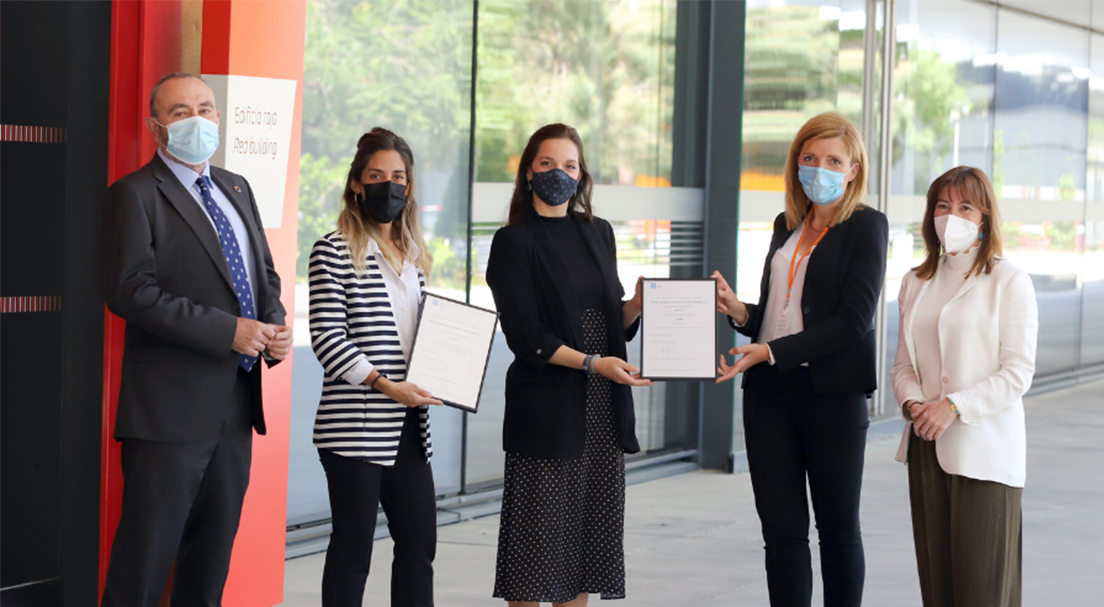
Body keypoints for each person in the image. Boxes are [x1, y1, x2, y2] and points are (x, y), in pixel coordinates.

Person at [100, 72, 290, 606]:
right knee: (144, 561)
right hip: (168, 413)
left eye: (205, 108)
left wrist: (273, 326)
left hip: (235, 406)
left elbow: (262, 275)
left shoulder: (236, 187)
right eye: (180, 112)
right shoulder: (134, 194)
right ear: (155, 126)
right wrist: (230, 331)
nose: (197, 120)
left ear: (219, 116)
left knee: (210, 560)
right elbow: (130, 291)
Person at [713, 112, 888, 607]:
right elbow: (780, 312)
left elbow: (853, 320)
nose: (819, 168)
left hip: (831, 394)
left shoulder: (866, 226)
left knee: (837, 529)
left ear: (853, 170)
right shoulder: (786, 224)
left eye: (833, 160)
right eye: (809, 158)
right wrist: (741, 311)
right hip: (769, 394)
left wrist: (771, 351)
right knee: (782, 532)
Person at [486, 123, 652, 606]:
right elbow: (526, 335)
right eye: (547, 163)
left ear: (581, 175)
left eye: (569, 165)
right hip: (548, 407)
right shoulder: (513, 241)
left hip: (602, 407)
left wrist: (638, 305)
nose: (558, 173)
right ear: (528, 172)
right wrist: (593, 363)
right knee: (535, 551)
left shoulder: (597, 231)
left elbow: (611, 318)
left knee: (584, 548)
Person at [891, 166, 1037, 607]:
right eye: (942, 206)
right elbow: (903, 365)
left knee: (982, 592)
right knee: (937, 591)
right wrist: (914, 404)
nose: (951, 216)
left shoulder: (1009, 281)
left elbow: (1017, 372)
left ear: (985, 218)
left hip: (984, 453)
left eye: (965, 207)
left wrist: (952, 406)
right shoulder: (915, 282)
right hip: (926, 446)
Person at [308, 127, 441, 607]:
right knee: (353, 551)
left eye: (399, 177)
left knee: (419, 546)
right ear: (357, 184)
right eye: (377, 175)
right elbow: (327, 339)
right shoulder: (333, 250)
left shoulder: (415, 259)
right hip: (355, 430)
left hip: (409, 427)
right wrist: (387, 385)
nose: (390, 185)